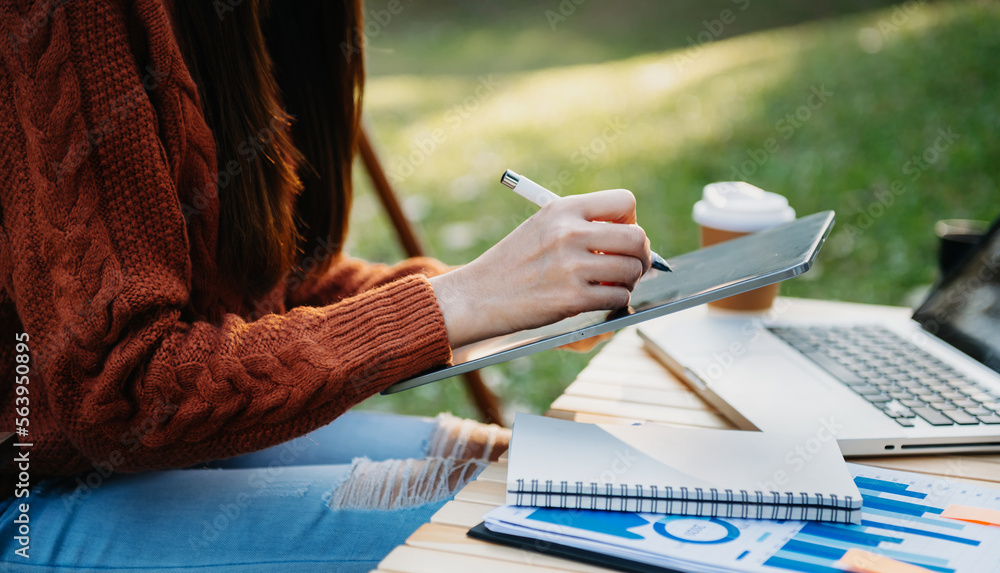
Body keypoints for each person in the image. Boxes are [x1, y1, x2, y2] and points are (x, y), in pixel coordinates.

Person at [0, 1, 653, 570]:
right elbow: (123, 390)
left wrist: (498, 295)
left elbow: (276, 292)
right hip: (27, 494)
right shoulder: (73, 17)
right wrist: (461, 302)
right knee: (555, 535)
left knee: (569, 480)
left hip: (157, 456)